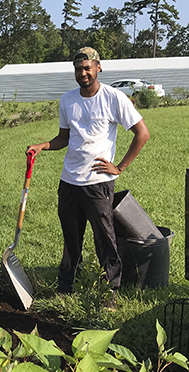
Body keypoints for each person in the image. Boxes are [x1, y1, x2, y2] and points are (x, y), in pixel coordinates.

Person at [26, 47, 150, 306]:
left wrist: (120, 167)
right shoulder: (68, 100)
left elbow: (142, 133)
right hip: (69, 180)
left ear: (98, 68)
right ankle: (66, 284)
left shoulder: (113, 97)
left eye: (87, 68)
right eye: (78, 69)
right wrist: (42, 146)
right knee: (71, 237)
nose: (82, 73)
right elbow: (64, 138)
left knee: (104, 237)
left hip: (98, 183)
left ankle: (110, 292)